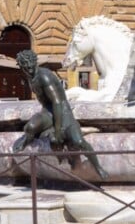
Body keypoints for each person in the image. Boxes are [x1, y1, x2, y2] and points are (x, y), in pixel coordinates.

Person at [11, 50, 104, 178]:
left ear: (34, 62)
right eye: (25, 66)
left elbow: (57, 103)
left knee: (78, 141)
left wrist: (59, 129)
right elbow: (46, 104)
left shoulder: (44, 76)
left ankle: (98, 166)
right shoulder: (30, 77)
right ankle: (27, 139)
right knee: (30, 127)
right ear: (21, 67)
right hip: (48, 112)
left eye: (30, 65)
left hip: (63, 112)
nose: (29, 68)